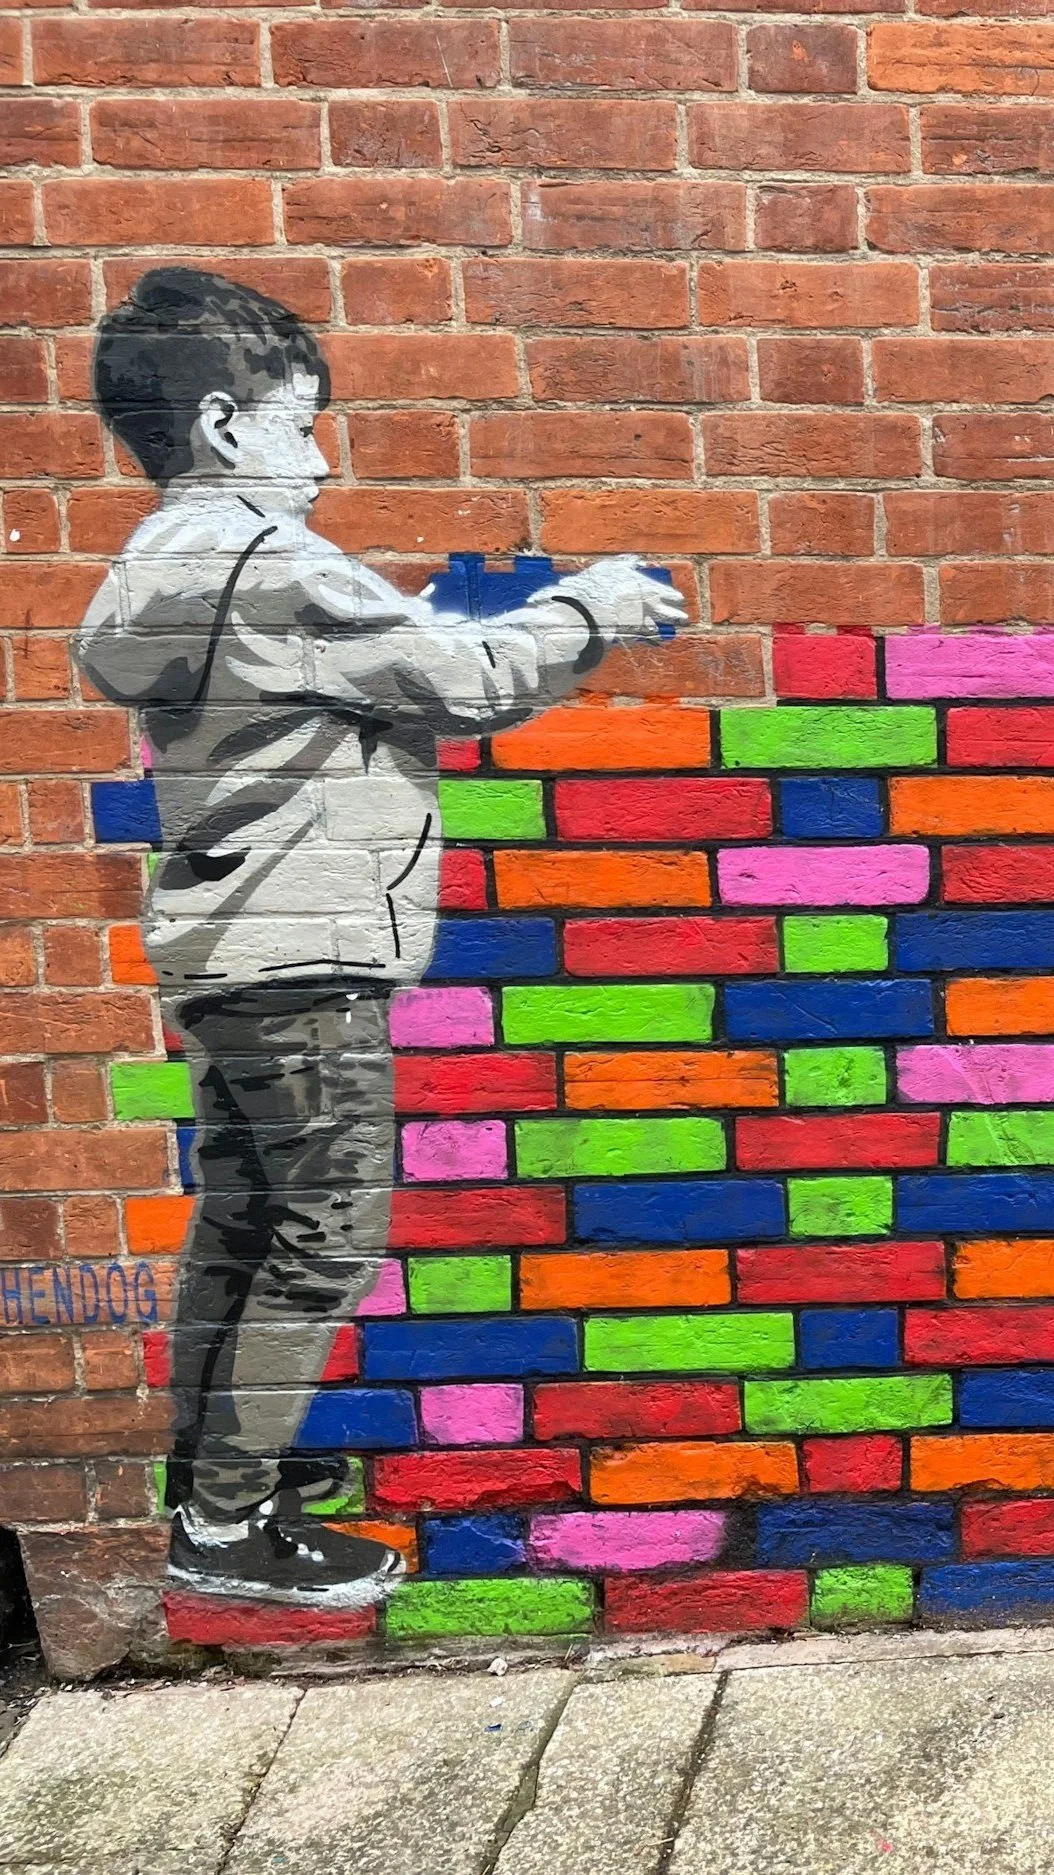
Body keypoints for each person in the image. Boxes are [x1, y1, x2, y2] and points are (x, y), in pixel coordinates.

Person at [75, 267, 686, 1609]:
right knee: (326, 1235)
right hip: (308, 954)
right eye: (304, 424)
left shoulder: (155, 570)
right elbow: (459, 677)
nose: (323, 455)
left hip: (227, 951)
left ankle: (216, 1493)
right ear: (229, 426)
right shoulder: (269, 563)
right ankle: (231, 1528)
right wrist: (589, 609)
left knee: (243, 1221)